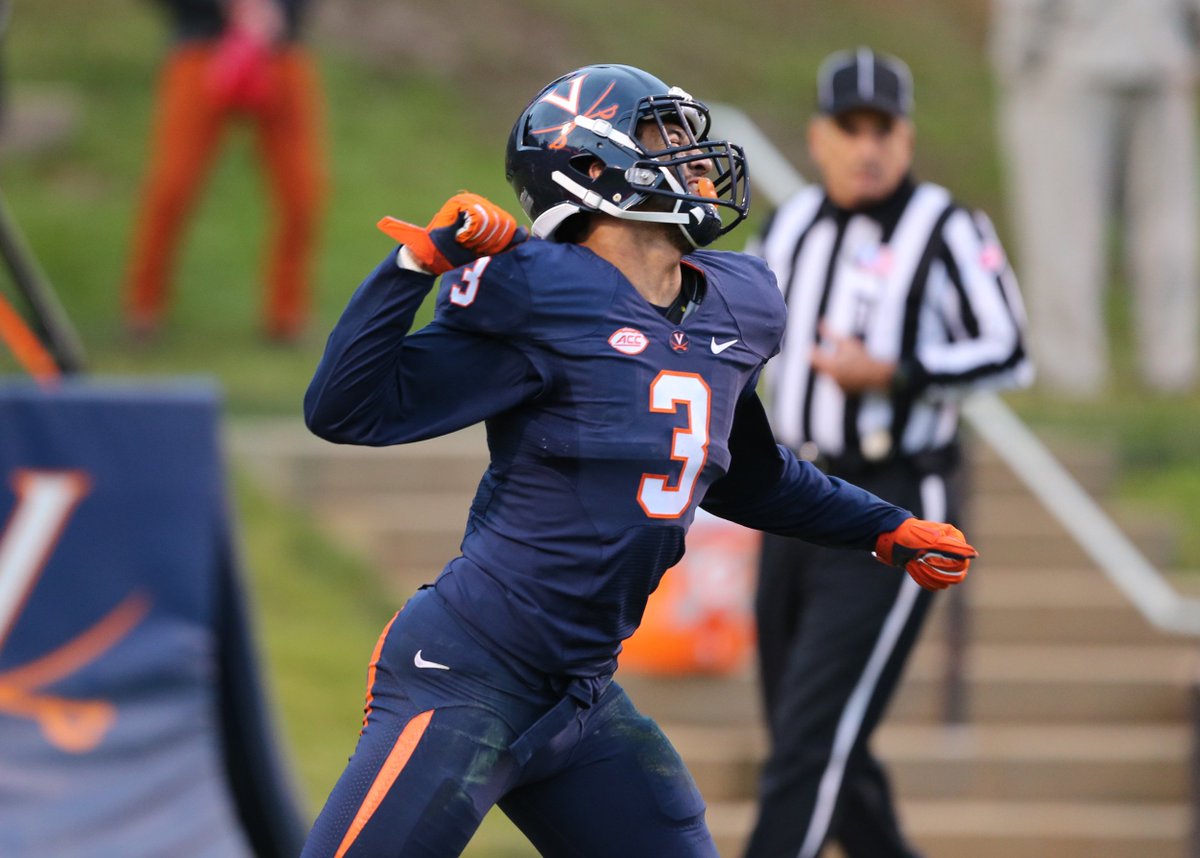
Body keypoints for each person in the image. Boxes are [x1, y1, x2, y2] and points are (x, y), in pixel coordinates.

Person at [300, 63, 977, 858]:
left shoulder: (733, 305)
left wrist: (884, 527)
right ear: (592, 168)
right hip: (466, 672)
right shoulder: (540, 295)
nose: (694, 157)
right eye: (664, 137)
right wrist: (414, 268)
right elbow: (344, 408)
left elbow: (753, 476)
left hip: (578, 698)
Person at [744, 48, 1032, 858]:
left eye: (884, 129)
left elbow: (1009, 348)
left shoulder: (947, 226)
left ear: (906, 138)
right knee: (815, 732)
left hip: (894, 503)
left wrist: (897, 374)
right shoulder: (790, 223)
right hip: (795, 497)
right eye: (850, 127)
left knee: (812, 739)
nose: (868, 146)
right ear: (817, 138)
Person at [990, 0, 1200, 396]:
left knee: (1064, 225)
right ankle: (1173, 361)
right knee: (1167, 223)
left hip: (1072, 52)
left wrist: (1017, 50)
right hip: (1163, 48)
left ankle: (1071, 368)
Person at [123, 0, 325, 342]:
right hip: (201, 47)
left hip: (280, 50)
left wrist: (274, 14)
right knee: (171, 186)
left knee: (303, 192)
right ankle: (143, 308)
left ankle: (287, 317)